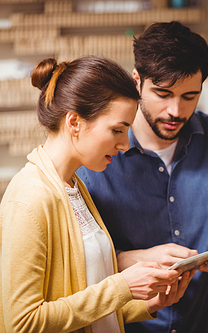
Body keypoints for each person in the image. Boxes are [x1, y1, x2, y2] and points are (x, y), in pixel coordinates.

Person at [76, 21, 208, 332]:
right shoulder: (93, 157)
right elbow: (73, 260)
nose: (175, 110)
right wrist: (131, 258)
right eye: (162, 93)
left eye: (189, 96)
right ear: (137, 81)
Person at [0, 56, 195, 333]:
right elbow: (23, 322)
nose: (125, 145)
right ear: (75, 123)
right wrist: (122, 286)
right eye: (117, 130)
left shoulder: (74, 187)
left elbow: (84, 296)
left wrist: (148, 303)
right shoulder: (30, 199)